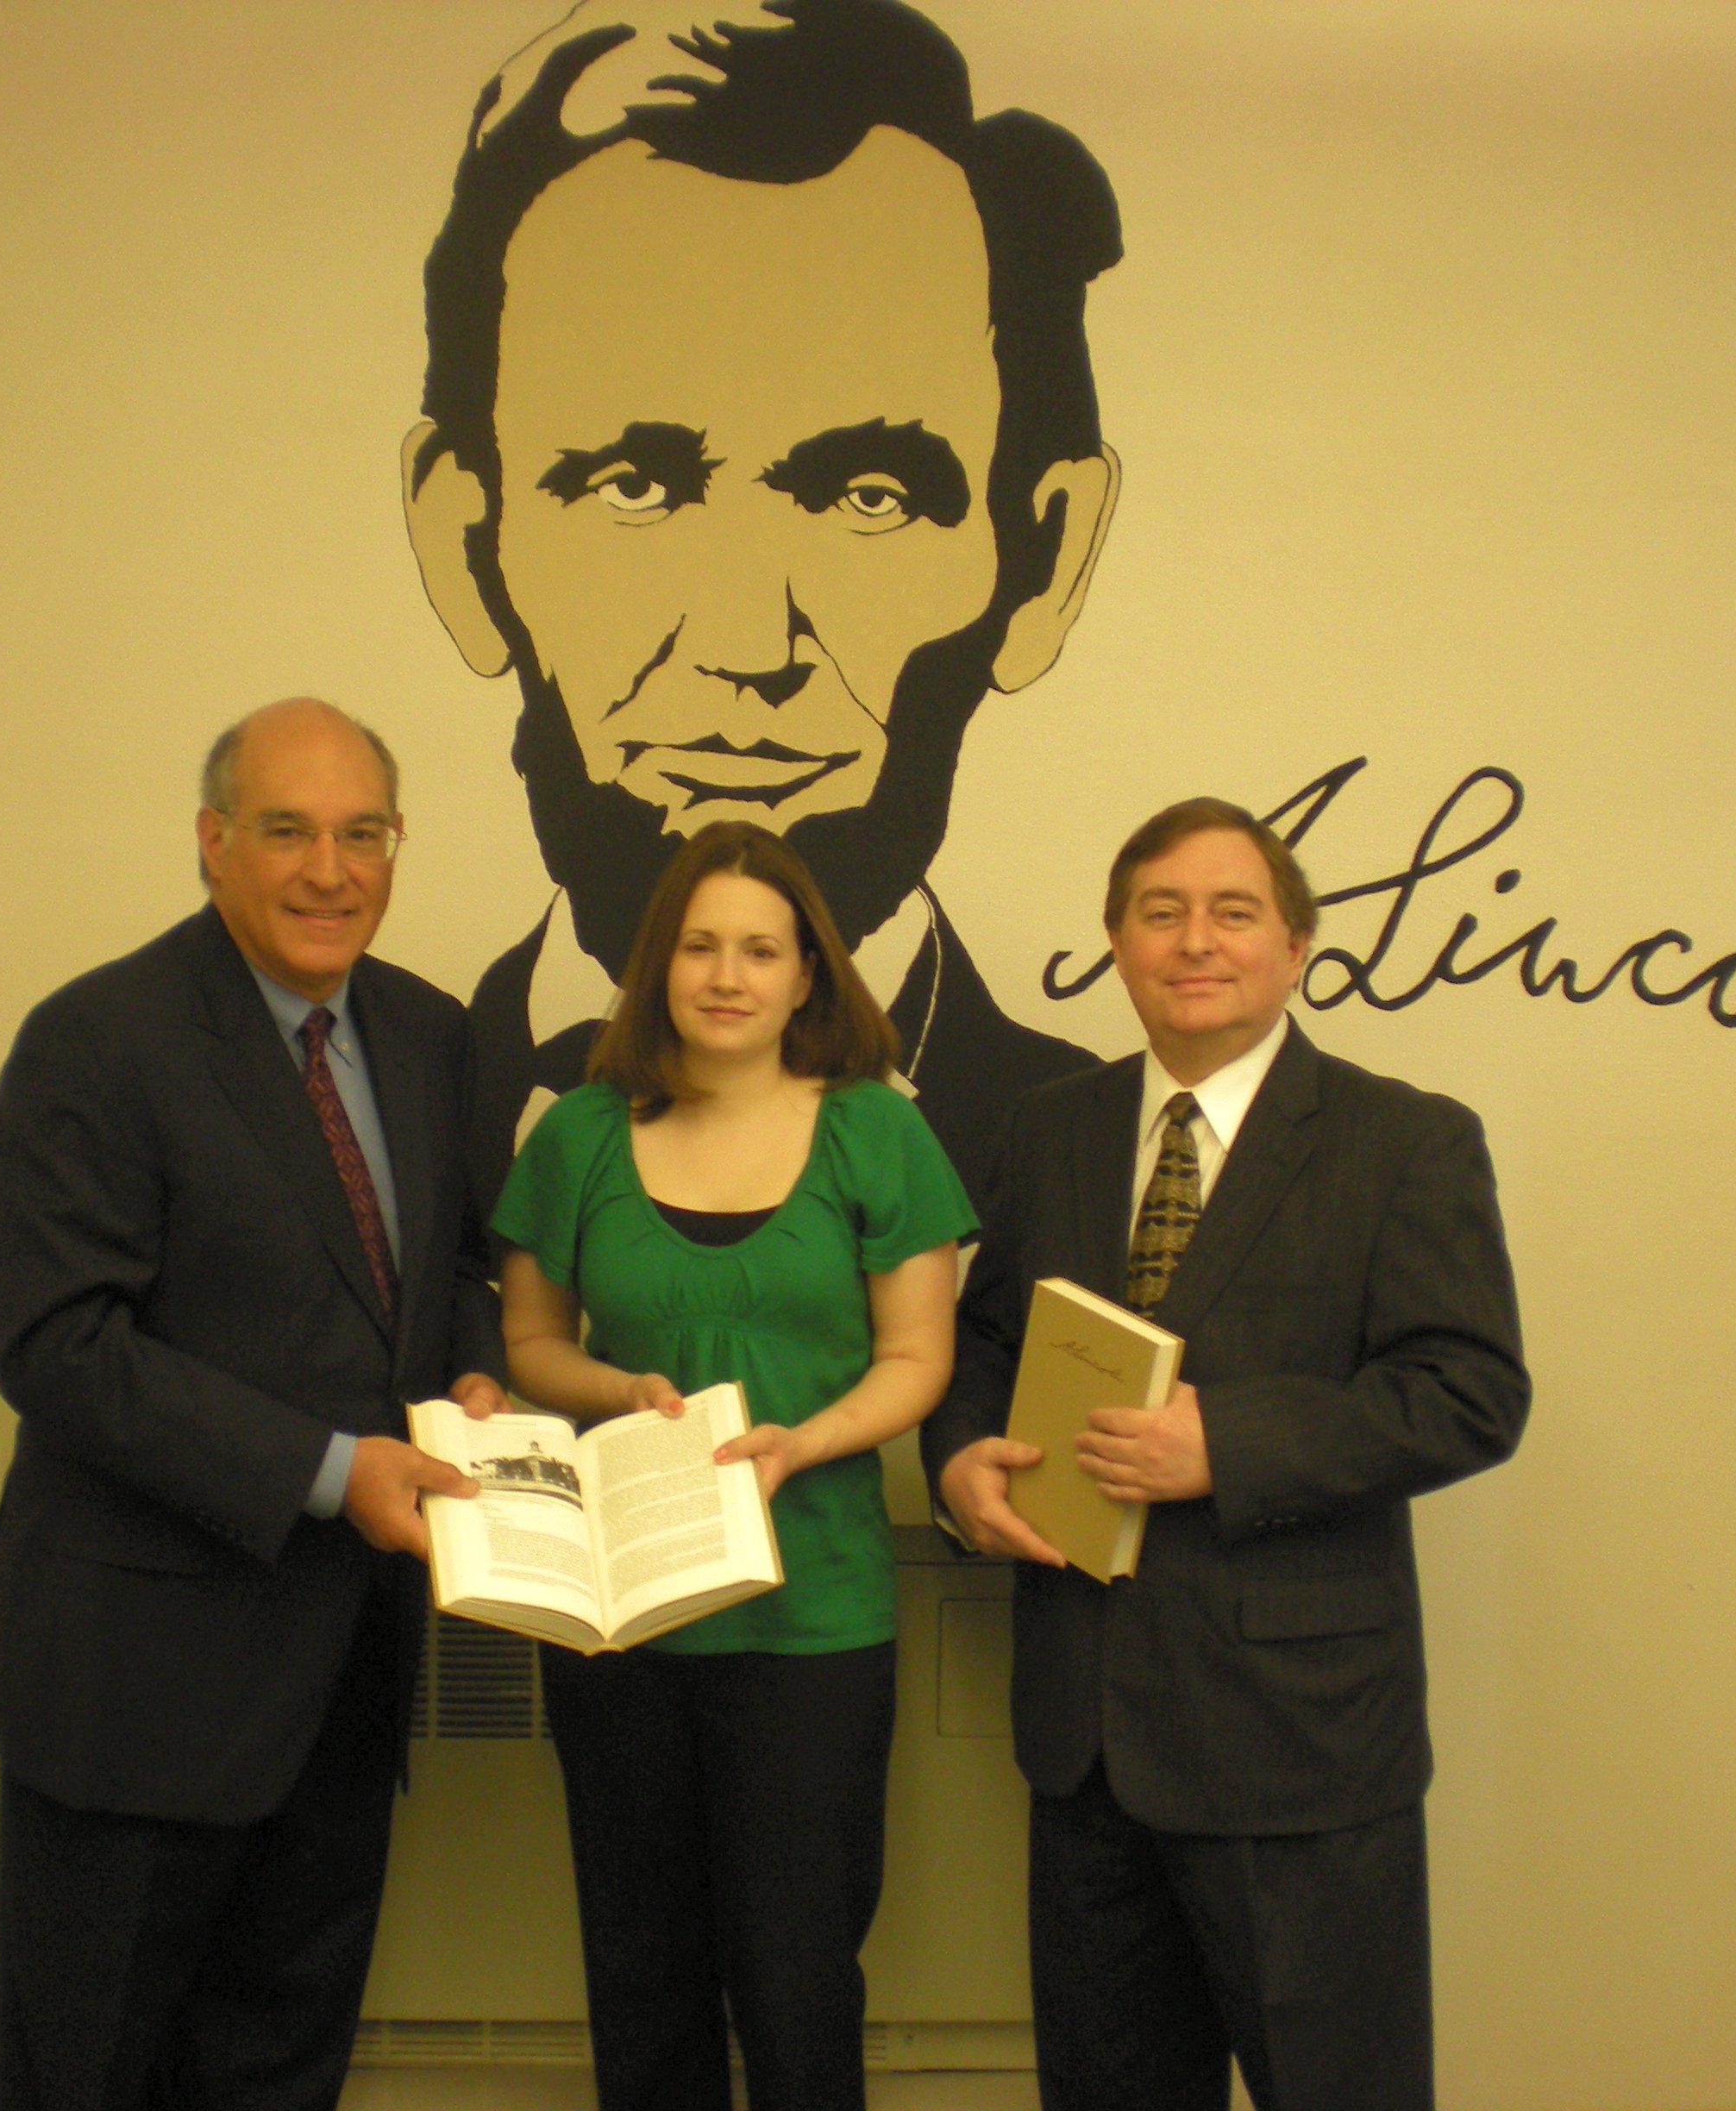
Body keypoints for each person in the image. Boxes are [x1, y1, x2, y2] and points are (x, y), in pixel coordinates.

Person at [401, 0, 1124, 1198]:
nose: (748, 647)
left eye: (872, 497)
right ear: (464, 546)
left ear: (1044, 563)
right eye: (634, 487)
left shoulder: (1089, 1147)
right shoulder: (380, 1106)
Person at [924, 799, 1531, 2111]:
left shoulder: (1406, 1139)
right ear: (1118, 944)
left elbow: (1471, 1391)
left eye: (1233, 912)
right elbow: (985, 1337)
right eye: (1162, 913)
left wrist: (1233, 1444)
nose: (1195, 941)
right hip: (1085, 1737)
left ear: (1297, 946)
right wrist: (961, 1461)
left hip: (1298, 1745)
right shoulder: (1049, 1125)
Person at [0, 698, 505, 2111]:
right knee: (92, 2072)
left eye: (361, 834)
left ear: (397, 845)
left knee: (283, 2066)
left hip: (342, 1678)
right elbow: (58, 1345)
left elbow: (454, 1263)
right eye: (287, 832)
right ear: (212, 843)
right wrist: (335, 1469)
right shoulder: (96, 1040)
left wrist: (471, 1373)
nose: (330, 871)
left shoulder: (431, 1033)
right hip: (141, 1686)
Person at [488, 818, 975, 2111]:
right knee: (641, 1974)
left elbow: (916, 1357)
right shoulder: (578, 1134)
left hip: (814, 1621)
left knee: (798, 1979)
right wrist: (621, 1391)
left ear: (809, 973)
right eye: (700, 946)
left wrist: (805, 1442)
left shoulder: (879, 1133)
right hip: (621, 1617)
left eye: (761, 950)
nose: (727, 975)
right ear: (657, 964)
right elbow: (531, 1342)